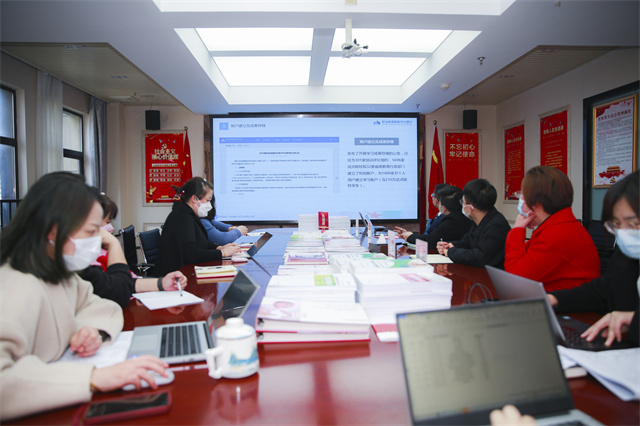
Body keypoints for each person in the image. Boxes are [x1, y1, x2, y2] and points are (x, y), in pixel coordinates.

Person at [0, 172, 169, 421]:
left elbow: (101, 306)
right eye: (91, 232)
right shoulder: (15, 284)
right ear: (54, 231)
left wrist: (91, 331)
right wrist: (92, 378)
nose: (98, 240)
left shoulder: (61, 273)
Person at [548, 170, 639, 347]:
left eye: (634, 224)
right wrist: (554, 299)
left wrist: (633, 319)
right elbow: (600, 292)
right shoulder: (625, 257)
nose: (624, 232)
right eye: (617, 224)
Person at [80, 193, 187, 308]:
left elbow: (128, 281)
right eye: (107, 222)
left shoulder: (103, 249)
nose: (111, 228)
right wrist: (114, 243)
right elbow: (119, 289)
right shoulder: (84, 259)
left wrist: (162, 283)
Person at [504, 166, 600, 292]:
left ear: (535, 201)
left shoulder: (556, 234)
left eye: (522, 195)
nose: (520, 199)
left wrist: (517, 230)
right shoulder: (561, 226)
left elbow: (515, 280)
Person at [154, 177, 242, 276]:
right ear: (194, 199)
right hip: (175, 276)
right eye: (207, 200)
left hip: (184, 271)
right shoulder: (182, 217)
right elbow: (191, 254)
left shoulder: (189, 214)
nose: (209, 205)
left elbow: (201, 242)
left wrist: (219, 247)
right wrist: (222, 253)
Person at [437, 178, 511, 268]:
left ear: (470, 207)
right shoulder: (479, 220)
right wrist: (449, 245)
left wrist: (451, 252)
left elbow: (479, 257)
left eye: (463, 202)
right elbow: (467, 241)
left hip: (492, 274)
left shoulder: (497, 225)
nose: (462, 206)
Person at [396, 185, 471, 247]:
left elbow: (431, 240)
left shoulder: (452, 220)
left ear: (443, 207)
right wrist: (410, 235)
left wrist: (410, 236)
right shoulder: (460, 216)